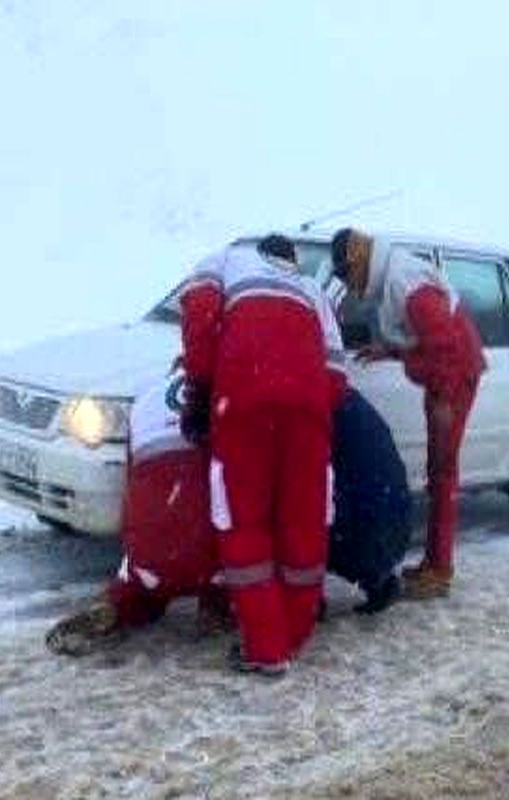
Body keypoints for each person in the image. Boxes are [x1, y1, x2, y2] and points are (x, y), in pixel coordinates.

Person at [180, 234, 347, 676]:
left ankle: (266, 649)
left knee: (243, 521)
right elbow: (336, 371)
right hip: (308, 410)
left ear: (263, 255)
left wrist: (202, 389)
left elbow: (198, 317)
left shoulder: (228, 260)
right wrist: (303, 403)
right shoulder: (313, 291)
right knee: (302, 522)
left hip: (243, 401)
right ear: (291, 261)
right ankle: (293, 633)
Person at [330, 228, 485, 599]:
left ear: (359, 260)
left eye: (347, 276)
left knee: (443, 472)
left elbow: (444, 344)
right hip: (446, 372)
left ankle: (440, 570)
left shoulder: (404, 282)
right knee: (439, 472)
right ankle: (436, 563)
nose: (350, 287)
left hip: (452, 376)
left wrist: (445, 399)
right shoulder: (395, 276)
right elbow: (425, 338)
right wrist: (391, 351)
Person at [45, 371, 227, 656]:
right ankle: (217, 607)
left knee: (144, 581)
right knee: (238, 557)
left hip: (151, 535)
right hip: (209, 541)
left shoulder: (147, 399)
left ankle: (117, 606)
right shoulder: (228, 394)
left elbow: (131, 483)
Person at [327, 388, 412, 614]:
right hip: (393, 519)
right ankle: (378, 579)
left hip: (368, 526)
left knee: (301, 516)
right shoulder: (347, 398)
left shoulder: (323, 405)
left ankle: (306, 601)